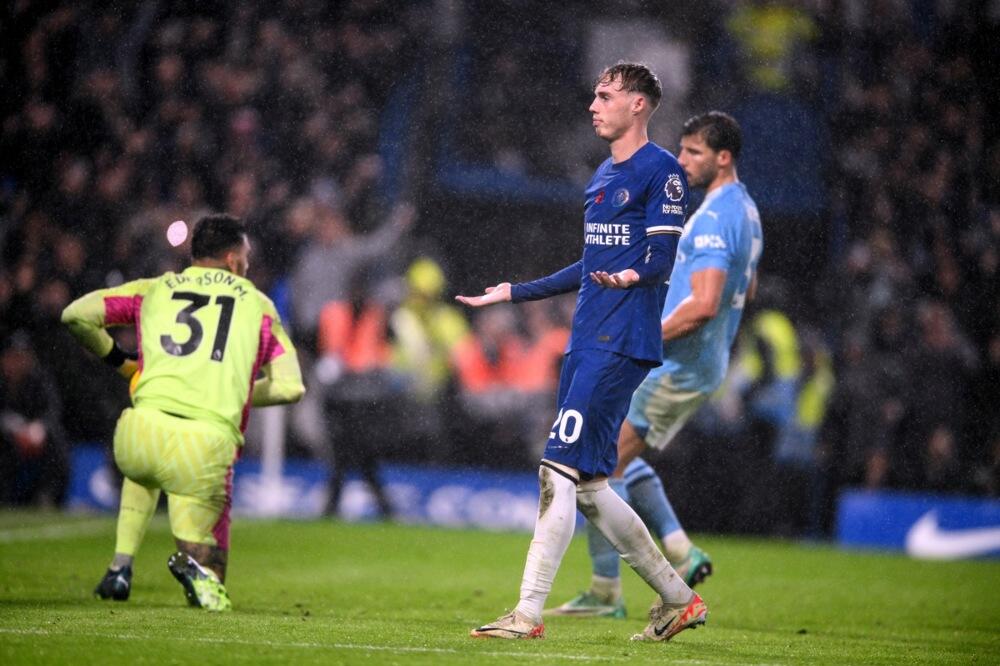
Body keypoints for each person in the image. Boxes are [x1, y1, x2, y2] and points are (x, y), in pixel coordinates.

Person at [458, 62, 705, 643]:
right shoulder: (602, 173)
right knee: (591, 487)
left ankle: (526, 613)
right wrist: (515, 292)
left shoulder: (663, 174)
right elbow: (591, 263)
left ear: (639, 105)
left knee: (554, 469)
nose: (593, 105)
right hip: (589, 338)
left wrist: (631, 276)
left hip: (620, 340)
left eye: (606, 96)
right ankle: (678, 599)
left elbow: (661, 262)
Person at [548, 111, 764, 617]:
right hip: (689, 363)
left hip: (674, 366)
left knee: (591, 469)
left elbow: (707, 303)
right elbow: (745, 287)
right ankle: (679, 550)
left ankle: (615, 591)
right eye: (682, 149)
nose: (682, 160)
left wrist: (644, 331)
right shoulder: (744, 211)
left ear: (723, 157)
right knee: (608, 456)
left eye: (694, 153)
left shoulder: (714, 217)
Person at [61, 214, 305, 611]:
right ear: (232, 259)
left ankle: (121, 565)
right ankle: (201, 573)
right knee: (210, 578)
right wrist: (233, 390)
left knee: (150, 467)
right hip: (203, 448)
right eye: (245, 258)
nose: (247, 266)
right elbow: (292, 386)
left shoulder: (155, 289)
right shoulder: (257, 304)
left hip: (137, 436)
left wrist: (121, 360)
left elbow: (74, 315)